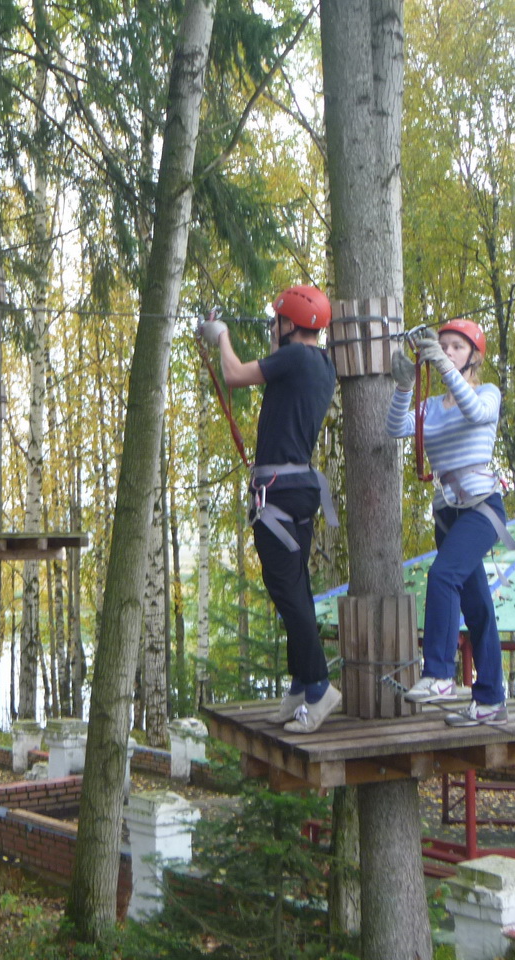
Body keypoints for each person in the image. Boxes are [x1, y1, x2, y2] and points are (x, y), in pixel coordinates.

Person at [199, 285, 340, 734]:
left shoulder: (295, 358)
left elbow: (235, 374)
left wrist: (221, 335)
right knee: (295, 588)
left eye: (276, 322)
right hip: (298, 489)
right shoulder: (322, 364)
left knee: (288, 592)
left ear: (290, 324)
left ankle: (319, 687)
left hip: (278, 493)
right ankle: (301, 684)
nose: (272, 329)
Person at [386, 319, 511, 726]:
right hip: (447, 515)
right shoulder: (431, 407)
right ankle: (490, 699)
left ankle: (439, 673)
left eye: (457, 346)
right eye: (443, 345)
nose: (448, 351)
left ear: (474, 356)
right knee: (478, 608)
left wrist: (441, 364)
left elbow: (475, 413)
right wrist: (404, 387)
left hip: (482, 508)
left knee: (442, 577)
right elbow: (395, 428)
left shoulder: (487, 394)